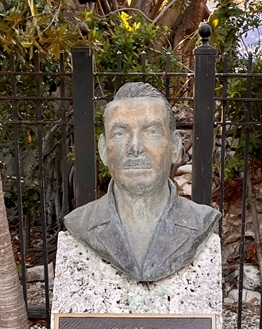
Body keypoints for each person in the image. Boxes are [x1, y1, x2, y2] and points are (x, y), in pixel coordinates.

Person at [63, 82, 220, 282]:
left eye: (151, 131)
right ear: (103, 150)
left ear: (174, 147)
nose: (135, 147)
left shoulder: (200, 222)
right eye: (120, 133)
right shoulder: (80, 223)